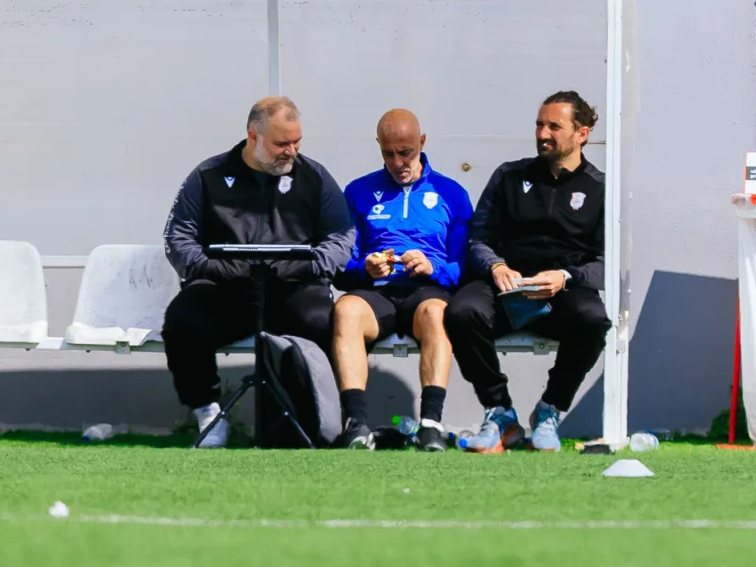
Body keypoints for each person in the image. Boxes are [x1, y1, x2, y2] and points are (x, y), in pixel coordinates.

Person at [161, 96, 355, 448]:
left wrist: (312, 266)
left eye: (297, 142)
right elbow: (178, 237)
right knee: (183, 319)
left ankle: (312, 417)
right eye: (281, 144)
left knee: (323, 322)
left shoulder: (314, 177)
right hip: (226, 287)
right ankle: (208, 413)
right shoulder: (209, 175)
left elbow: (341, 236)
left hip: (294, 285)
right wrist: (212, 267)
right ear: (253, 136)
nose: (291, 151)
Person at [444, 91, 611, 454]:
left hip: (562, 292)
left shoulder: (600, 188)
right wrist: (496, 265)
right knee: (460, 311)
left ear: (582, 133)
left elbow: (603, 263)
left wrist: (565, 277)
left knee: (594, 320)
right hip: (505, 288)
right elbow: (477, 240)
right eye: (539, 124)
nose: (542, 134)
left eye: (554, 126)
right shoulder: (509, 175)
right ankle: (499, 410)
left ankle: (550, 409)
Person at [331, 109, 473, 451]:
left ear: (422, 142)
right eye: (388, 153)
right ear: (379, 146)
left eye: (406, 152)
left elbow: (465, 266)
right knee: (345, 310)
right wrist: (364, 268)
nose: (398, 162)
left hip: (427, 291)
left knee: (437, 313)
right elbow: (341, 264)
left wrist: (432, 268)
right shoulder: (358, 191)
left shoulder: (451, 193)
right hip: (376, 293)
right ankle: (356, 424)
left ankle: (430, 424)